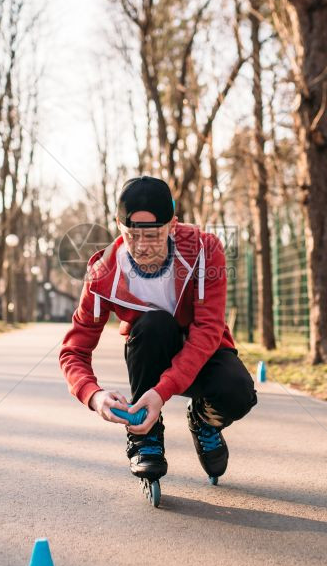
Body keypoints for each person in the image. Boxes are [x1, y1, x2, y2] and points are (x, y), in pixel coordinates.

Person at [59, 176, 257, 482]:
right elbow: (74, 350)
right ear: (118, 225)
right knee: (153, 323)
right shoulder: (103, 275)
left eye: (153, 235)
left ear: (173, 225)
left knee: (238, 393)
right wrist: (94, 396)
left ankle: (204, 420)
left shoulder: (205, 251)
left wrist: (162, 392)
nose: (141, 247)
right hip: (152, 349)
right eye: (131, 235)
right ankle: (145, 436)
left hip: (204, 353)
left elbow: (208, 330)